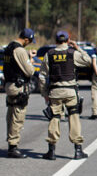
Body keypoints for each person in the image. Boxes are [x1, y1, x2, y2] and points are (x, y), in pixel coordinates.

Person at [39, 31, 92, 160]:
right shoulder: (72, 53)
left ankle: (51, 151)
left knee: (54, 118)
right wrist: (78, 48)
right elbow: (88, 61)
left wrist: (45, 93)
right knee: (74, 117)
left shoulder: (49, 54)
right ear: (68, 40)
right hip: (70, 91)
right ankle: (78, 150)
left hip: (55, 91)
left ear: (55, 40)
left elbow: (42, 76)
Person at [3, 29, 36, 158]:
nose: (29, 43)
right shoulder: (20, 50)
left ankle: (11, 142)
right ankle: (13, 147)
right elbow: (30, 71)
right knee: (18, 117)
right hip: (18, 87)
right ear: (26, 39)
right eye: (30, 41)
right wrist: (30, 60)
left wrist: (27, 55)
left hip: (9, 85)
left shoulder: (9, 47)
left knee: (11, 116)